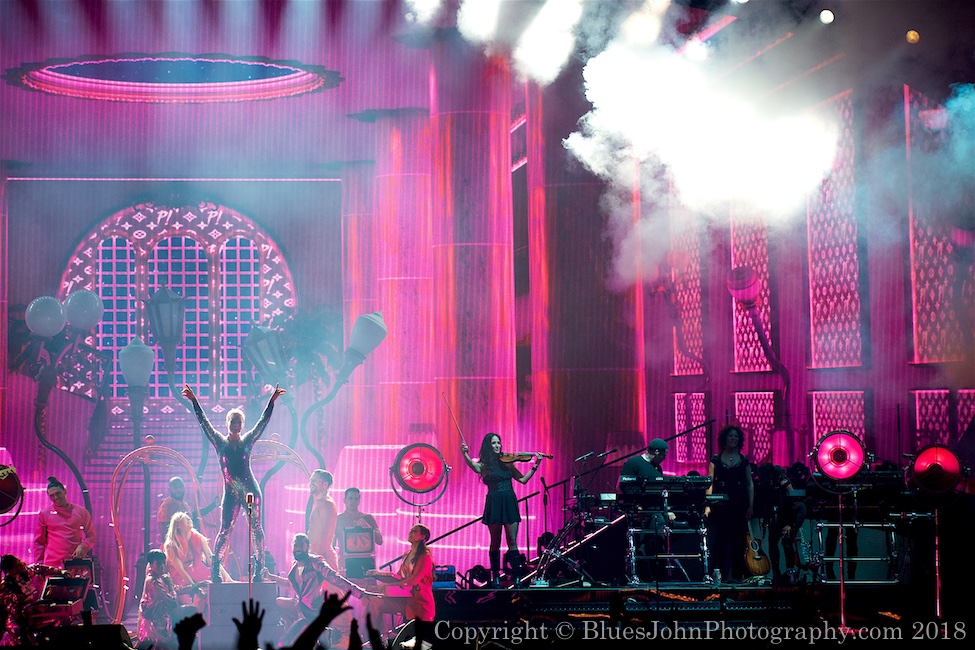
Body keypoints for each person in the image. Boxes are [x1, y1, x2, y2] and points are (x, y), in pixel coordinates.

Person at [182, 383, 286, 582]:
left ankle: (259, 569)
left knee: (256, 528)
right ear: (228, 422)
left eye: (239, 422)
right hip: (231, 493)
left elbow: (262, 424)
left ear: (242, 424)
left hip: (249, 491)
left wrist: (271, 402)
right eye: (233, 421)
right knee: (225, 530)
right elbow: (204, 423)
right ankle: (215, 570)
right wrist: (195, 401)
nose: (236, 425)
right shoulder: (219, 442)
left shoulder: (248, 441)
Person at [461, 433, 545, 586]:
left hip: (509, 501)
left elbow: (523, 480)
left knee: (512, 540)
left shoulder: (507, 463)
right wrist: (465, 453)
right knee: (495, 541)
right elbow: (473, 466)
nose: (497, 445)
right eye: (493, 443)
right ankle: (496, 577)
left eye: (498, 442)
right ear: (488, 446)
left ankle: (517, 576)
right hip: (494, 502)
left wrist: (536, 464)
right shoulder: (485, 465)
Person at [262, 533, 375, 647]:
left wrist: (359, 593)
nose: (298, 548)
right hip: (302, 611)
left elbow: (335, 578)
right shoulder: (295, 566)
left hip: (314, 612)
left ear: (308, 547)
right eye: (295, 545)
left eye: (301, 545)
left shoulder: (316, 562)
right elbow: (290, 584)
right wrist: (271, 577)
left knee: (290, 641)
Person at [366, 524, 435, 648]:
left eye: (414, 531)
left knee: (417, 643)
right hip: (405, 600)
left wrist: (387, 585)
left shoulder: (425, 557)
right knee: (375, 602)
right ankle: (380, 637)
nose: (410, 532)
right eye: (411, 530)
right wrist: (380, 579)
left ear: (422, 537)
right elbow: (399, 577)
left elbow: (413, 580)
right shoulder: (407, 555)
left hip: (419, 604)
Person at [618, 438, 678, 582]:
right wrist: (636, 506)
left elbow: (659, 491)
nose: (664, 458)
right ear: (656, 452)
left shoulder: (657, 468)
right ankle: (642, 576)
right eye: (664, 454)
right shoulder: (634, 463)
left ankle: (659, 576)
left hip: (655, 512)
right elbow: (624, 486)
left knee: (658, 540)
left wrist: (667, 509)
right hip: (638, 512)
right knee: (640, 545)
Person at [704, 425, 754, 583]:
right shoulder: (716, 460)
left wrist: (750, 505)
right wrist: (708, 504)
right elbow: (710, 482)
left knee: (739, 540)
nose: (733, 439)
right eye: (731, 437)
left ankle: (738, 576)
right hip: (721, 503)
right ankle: (719, 575)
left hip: (739, 502)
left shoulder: (744, 460)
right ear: (724, 439)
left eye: (736, 437)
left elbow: (749, 484)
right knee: (721, 540)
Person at [755, 463, 807, 585]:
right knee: (773, 541)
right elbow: (767, 504)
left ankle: (790, 572)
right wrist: (765, 521)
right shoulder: (767, 485)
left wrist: (789, 524)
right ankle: (776, 574)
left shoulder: (784, 483)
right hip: (780, 513)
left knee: (787, 540)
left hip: (795, 512)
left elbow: (794, 504)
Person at [164, 512, 228, 609]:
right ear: (178, 526)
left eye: (188, 517)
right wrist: (195, 588)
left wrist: (227, 577)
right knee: (187, 607)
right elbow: (180, 570)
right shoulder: (171, 545)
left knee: (207, 594)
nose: (188, 519)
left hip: (192, 575)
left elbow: (212, 559)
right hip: (174, 581)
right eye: (184, 518)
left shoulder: (199, 538)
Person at [137, 549, 199, 650]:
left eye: (163, 563)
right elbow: (171, 601)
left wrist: (196, 586)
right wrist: (170, 585)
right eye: (159, 564)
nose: (162, 566)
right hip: (158, 621)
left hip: (160, 617)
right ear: (151, 564)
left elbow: (176, 589)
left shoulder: (158, 577)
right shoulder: (154, 582)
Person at [32, 476, 97, 569]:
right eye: (52, 495)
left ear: (65, 491)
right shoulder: (44, 514)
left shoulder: (81, 511)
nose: (56, 497)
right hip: (52, 566)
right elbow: (39, 542)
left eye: (58, 493)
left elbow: (92, 535)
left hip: (75, 563)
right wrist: (38, 565)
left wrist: (83, 546)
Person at [0, 554, 65, 646]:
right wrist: (20, 601)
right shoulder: (5, 588)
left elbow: (41, 568)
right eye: (17, 565)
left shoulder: (28, 572)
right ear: (9, 571)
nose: (22, 565)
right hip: (18, 621)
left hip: (34, 613)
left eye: (20, 562)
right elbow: (12, 609)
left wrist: (61, 573)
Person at [334, 487, 384, 577]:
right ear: (344, 500)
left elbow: (380, 541)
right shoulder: (338, 519)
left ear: (359, 501)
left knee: (368, 589)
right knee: (346, 590)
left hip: (366, 562)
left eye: (356, 499)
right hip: (345, 562)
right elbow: (331, 544)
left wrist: (368, 527)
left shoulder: (367, 518)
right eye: (350, 498)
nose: (353, 501)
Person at [307, 469, 340, 572]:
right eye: (311, 480)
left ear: (325, 485)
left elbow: (323, 534)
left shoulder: (326, 504)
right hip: (317, 558)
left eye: (315, 480)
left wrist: (314, 557)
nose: (311, 483)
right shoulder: (319, 502)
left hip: (322, 561)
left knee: (328, 589)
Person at [157, 477, 192, 546]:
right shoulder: (167, 505)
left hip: (185, 547)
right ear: (169, 490)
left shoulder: (184, 504)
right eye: (175, 487)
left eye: (180, 487)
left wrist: (213, 505)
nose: (178, 490)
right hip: (174, 548)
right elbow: (165, 530)